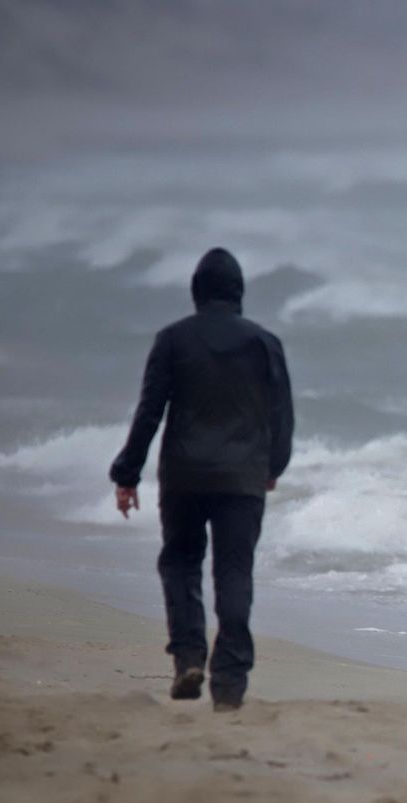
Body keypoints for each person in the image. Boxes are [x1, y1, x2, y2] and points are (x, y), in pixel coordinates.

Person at [109, 247, 294, 712]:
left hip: (185, 477)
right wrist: (273, 467)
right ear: (238, 293)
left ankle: (189, 657)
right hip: (242, 480)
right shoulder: (265, 343)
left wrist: (127, 472)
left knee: (181, 563)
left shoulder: (172, 340)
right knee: (233, 571)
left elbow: (150, 411)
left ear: (196, 292)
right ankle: (229, 683)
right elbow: (282, 416)